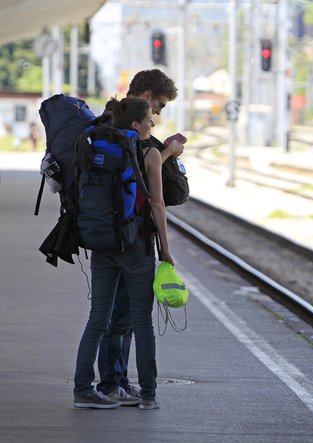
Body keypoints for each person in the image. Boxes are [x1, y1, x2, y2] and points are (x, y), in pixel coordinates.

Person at [73, 97, 173, 410]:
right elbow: (157, 204)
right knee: (142, 323)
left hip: (104, 244)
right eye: (148, 120)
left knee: (97, 319)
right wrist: (166, 252)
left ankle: (82, 391)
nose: (152, 124)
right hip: (137, 246)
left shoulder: (103, 147)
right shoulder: (150, 153)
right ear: (135, 124)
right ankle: (148, 395)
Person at [95, 69, 183, 406]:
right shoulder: (128, 131)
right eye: (158, 107)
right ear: (145, 97)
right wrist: (169, 153)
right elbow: (147, 184)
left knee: (118, 317)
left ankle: (116, 380)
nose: (157, 116)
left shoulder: (106, 125)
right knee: (122, 318)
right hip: (131, 236)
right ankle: (113, 384)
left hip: (108, 233)